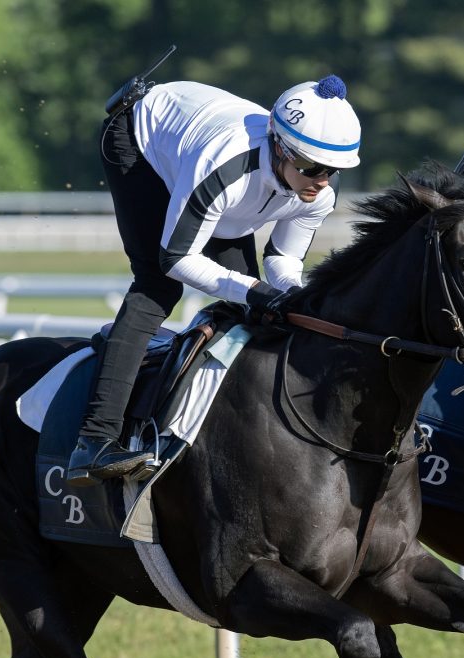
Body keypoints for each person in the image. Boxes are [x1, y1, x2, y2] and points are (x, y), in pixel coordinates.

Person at [66, 75, 361, 487]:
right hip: (139, 140)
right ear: (279, 146)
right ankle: (95, 440)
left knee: (254, 309)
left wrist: (289, 295)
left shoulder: (318, 190)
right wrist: (253, 290)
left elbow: (283, 258)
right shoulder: (227, 169)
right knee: (157, 285)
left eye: (333, 170)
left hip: (209, 162)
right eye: (312, 167)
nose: (322, 181)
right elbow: (175, 258)